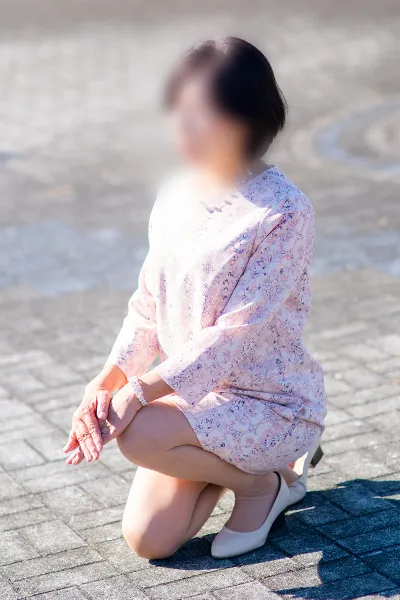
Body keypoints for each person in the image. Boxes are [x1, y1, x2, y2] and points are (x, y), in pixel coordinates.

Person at [64, 36, 326, 560]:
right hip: (191, 400)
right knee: (150, 541)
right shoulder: (175, 192)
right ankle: (250, 471)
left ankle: (261, 486)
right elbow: (148, 305)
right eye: (178, 112)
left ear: (244, 117)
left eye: (199, 114)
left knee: (138, 432)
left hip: (267, 404)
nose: (181, 128)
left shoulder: (283, 212)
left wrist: (139, 393)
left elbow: (232, 336)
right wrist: (107, 381)